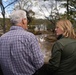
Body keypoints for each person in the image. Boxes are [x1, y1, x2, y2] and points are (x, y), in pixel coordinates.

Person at [0, 10, 44, 75]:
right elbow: (39, 63)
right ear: (23, 21)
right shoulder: (30, 37)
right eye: (26, 20)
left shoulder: (2, 38)